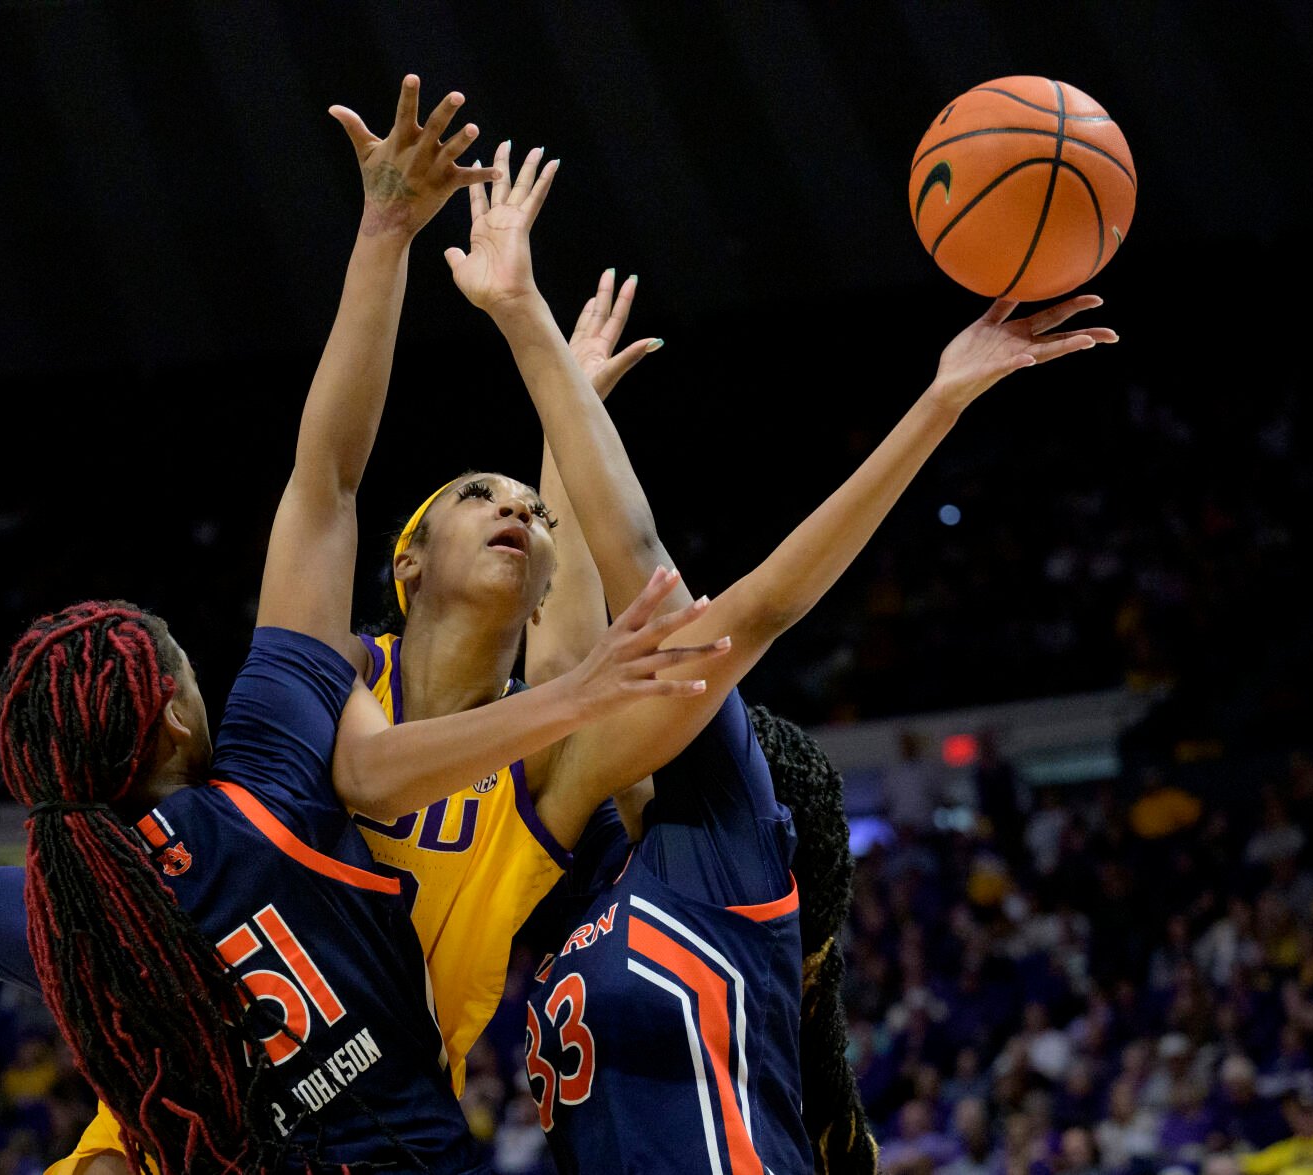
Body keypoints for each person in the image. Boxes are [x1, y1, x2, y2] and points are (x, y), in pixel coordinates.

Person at [0, 85, 730, 1175]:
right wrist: (383, 234)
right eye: (480, 496)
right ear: (182, 709)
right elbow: (324, 483)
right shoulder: (275, 767)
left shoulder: (66, 898)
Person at [435, 136, 1116, 1172]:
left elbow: (712, 594)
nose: (667, 699)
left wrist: (939, 398)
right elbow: (564, 653)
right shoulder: (587, 881)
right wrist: (563, 407)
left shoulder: (716, 840)